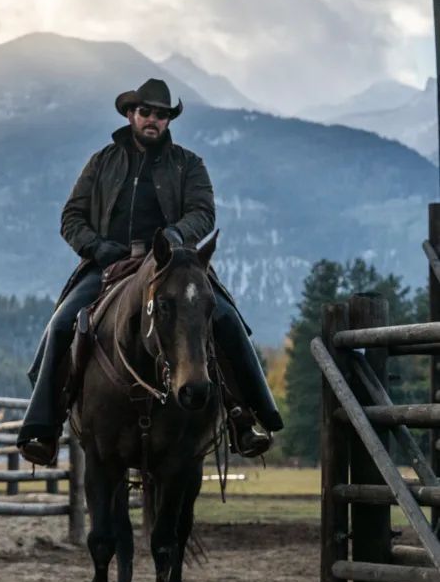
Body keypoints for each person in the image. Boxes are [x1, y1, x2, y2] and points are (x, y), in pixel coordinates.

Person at [17, 78, 283, 466]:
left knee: (227, 320)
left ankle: (248, 416)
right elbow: (71, 217)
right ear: (131, 115)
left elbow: (203, 213)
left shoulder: (188, 164)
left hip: (174, 264)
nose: (153, 121)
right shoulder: (102, 162)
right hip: (109, 265)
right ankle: (44, 425)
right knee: (61, 325)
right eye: (146, 113)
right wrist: (98, 248)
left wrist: (174, 237)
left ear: (168, 121)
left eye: (161, 115)